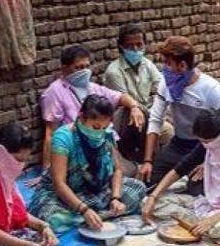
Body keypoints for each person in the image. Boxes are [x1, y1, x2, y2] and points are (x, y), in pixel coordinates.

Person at [30, 94, 146, 233]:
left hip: (96, 191)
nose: (100, 132)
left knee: (138, 188)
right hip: (65, 194)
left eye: (104, 127)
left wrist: (116, 198)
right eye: (95, 127)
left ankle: (94, 216)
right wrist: (84, 209)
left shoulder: (107, 134)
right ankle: (98, 216)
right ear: (81, 117)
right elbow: (59, 184)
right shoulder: (64, 137)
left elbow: (117, 170)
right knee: (53, 217)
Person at [142, 108, 220, 244]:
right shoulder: (207, 145)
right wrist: (153, 197)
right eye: (202, 141)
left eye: (207, 141)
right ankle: (201, 226)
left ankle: (205, 226)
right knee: (150, 203)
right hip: (206, 205)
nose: (205, 145)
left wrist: (212, 220)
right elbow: (179, 170)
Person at [140, 36, 220, 188]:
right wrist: (147, 161)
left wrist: (212, 160)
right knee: (147, 182)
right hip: (179, 144)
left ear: (182, 65)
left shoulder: (210, 88)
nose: (164, 68)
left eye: (168, 63)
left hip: (206, 149)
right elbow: (156, 120)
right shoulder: (166, 84)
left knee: (197, 190)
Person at [39, 44, 145, 177]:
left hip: (104, 136)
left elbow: (120, 97)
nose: (84, 71)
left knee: (137, 112)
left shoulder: (92, 87)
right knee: (121, 174)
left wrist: (135, 107)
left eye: (86, 67)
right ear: (65, 69)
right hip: (81, 144)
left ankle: (143, 160)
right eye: (78, 67)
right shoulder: (54, 92)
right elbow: (50, 133)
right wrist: (46, 170)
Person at [103, 23, 173, 176]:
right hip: (125, 120)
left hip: (145, 113)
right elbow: (124, 102)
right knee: (154, 125)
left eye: (139, 44)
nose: (135, 49)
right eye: (130, 45)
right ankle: (146, 167)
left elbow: (163, 86)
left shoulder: (147, 64)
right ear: (121, 47)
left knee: (168, 129)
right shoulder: (114, 72)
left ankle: (158, 167)